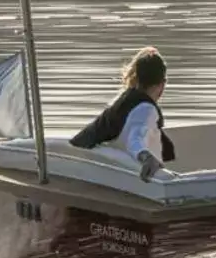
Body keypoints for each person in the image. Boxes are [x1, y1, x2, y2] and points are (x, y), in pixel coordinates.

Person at [71, 47, 176, 181]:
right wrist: (147, 158)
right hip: (112, 177)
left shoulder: (125, 99)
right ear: (162, 84)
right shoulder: (146, 109)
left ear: (136, 78)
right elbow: (135, 140)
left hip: (83, 160)